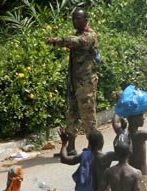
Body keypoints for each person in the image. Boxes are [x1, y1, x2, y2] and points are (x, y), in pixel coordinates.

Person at [46, 7, 99, 155]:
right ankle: (70, 147)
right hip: (76, 82)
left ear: (86, 20)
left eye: (78, 18)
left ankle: (93, 149)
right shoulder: (79, 33)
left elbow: (76, 42)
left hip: (86, 83)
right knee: (72, 115)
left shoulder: (89, 35)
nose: (75, 21)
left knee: (88, 116)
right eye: (73, 19)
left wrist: (57, 41)